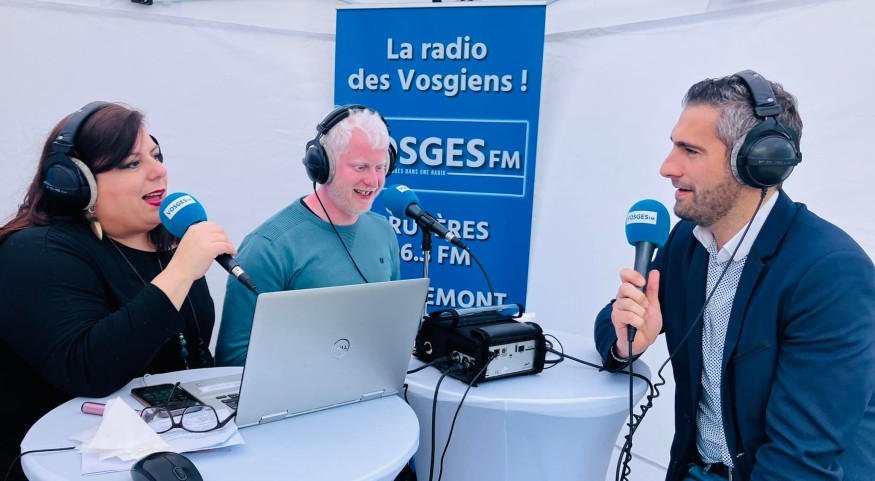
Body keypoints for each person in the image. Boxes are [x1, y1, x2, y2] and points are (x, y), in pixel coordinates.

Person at [594, 71, 875, 481]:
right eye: (673, 145)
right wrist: (626, 342)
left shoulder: (829, 274)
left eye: (690, 150)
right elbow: (612, 319)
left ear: (759, 161)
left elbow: (799, 461)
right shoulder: (686, 241)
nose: (666, 167)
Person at [0, 102, 237, 480]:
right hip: (68, 461)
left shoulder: (170, 246)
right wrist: (180, 272)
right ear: (76, 182)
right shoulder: (34, 251)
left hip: (170, 449)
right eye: (131, 163)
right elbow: (90, 370)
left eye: (157, 156)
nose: (158, 171)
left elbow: (191, 353)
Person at [216, 105, 400, 366]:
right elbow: (234, 361)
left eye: (380, 167)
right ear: (323, 165)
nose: (373, 180)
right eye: (360, 167)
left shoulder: (383, 231)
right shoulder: (268, 248)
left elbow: (391, 328)